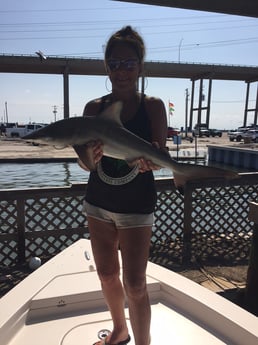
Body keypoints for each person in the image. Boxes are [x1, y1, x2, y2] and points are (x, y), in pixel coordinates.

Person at [74, 26, 167, 345]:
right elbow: (86, 166)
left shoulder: (152, 106)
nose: (121, 71)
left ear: (141, 66)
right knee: (106, 275)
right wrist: (89, 156)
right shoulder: (93, 109)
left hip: (137, 206)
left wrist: (154, 160)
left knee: (137, 285)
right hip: (98, 203)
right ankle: (119, 329)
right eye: (114, 63)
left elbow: (159, 153)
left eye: (129, 64)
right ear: (106, 67)